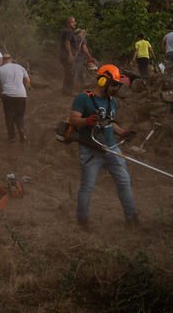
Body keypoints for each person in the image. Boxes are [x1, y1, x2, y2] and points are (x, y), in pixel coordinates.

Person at [67, 64, 138, 231]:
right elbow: (73, 120)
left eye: (117, 86)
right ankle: (82, 222)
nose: (116, 89)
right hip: (91, 150)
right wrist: (86, 121)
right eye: (114, 85)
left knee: (124, 182)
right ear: (103, 81)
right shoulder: (83, 98)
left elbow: (109, 123)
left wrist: (122, 132)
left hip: (112, 148)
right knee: (87, 186)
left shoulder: (112, 102)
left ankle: (132, 219)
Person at [0, 53, 31, 143]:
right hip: (21, 95)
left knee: (9, 116)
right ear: (11, 59)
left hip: (8, 95)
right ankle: (21, 130)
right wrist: (26, 89)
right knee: (19, 115)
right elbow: (28, 81)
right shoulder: (20, 67)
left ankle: (12, 137)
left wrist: (0, 93)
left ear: (3, 60)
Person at [59, 16, 77, 95]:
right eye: (72, 22)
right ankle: (69, 92)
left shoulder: (65, 31)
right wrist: (70, 54)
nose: (74, 23)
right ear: (68, 23)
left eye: (74, 22)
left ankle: (65, 90)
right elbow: (67, 42)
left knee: (68, 72)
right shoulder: (69, 32)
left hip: (63, 55)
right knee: (70, 73)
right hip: (66, 55)